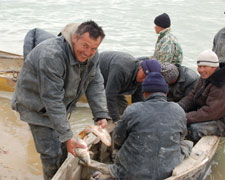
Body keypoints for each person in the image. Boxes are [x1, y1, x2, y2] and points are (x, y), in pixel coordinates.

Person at [11, 21, 110, 180]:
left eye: (94, 48)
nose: (88, 52)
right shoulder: (52, 55)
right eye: (84, 46)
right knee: (50, 152)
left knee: (65, 148)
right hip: (34, 105)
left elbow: (95, 82)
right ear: (75, 38)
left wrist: (100, 113)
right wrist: (67, 135)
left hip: (58, 104)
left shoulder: (92, 55)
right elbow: (52, 99)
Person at [107, 71, 188, 180]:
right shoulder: (178, 110)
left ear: (144, 93)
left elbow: (117, 138)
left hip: (129, 174)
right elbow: (181, 137)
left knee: (119, 149)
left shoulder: (133, 109)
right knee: (187, 144)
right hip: (167, 172)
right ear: (165, 92)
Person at [99, 51, 162, 122]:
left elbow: (138, 100)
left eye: (147, 78)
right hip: (100, 68)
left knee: (122, 105)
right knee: (103, 109)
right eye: (144, 76)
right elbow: (110, 95)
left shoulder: (141, 78)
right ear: (141, 67)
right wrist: (116, 120)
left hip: (116, 78)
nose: (144, 80)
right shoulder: (122, 70)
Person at [179, 50, 225, 142]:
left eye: (205, 66)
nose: (201, 70)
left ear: (214, 67)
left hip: (220, 120)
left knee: (194, 129)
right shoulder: (206, 76)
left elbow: (210, 112)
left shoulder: (221, 85)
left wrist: (184, 117)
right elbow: (192, 96)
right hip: (208, 112)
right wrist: (177, 108)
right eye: (199, 66)